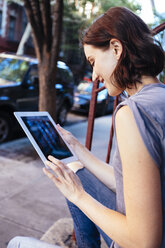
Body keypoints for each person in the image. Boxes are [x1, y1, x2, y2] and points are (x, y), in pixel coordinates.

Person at [7, 6, 165, 248]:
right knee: (77, 170)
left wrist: (77, 196)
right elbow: (127, 181)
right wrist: (76, 147)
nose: (93, 76)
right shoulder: (159, 98)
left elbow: (144, 242)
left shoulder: (132, 113)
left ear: (116, 49)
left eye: (93, 62)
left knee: (17, 243)